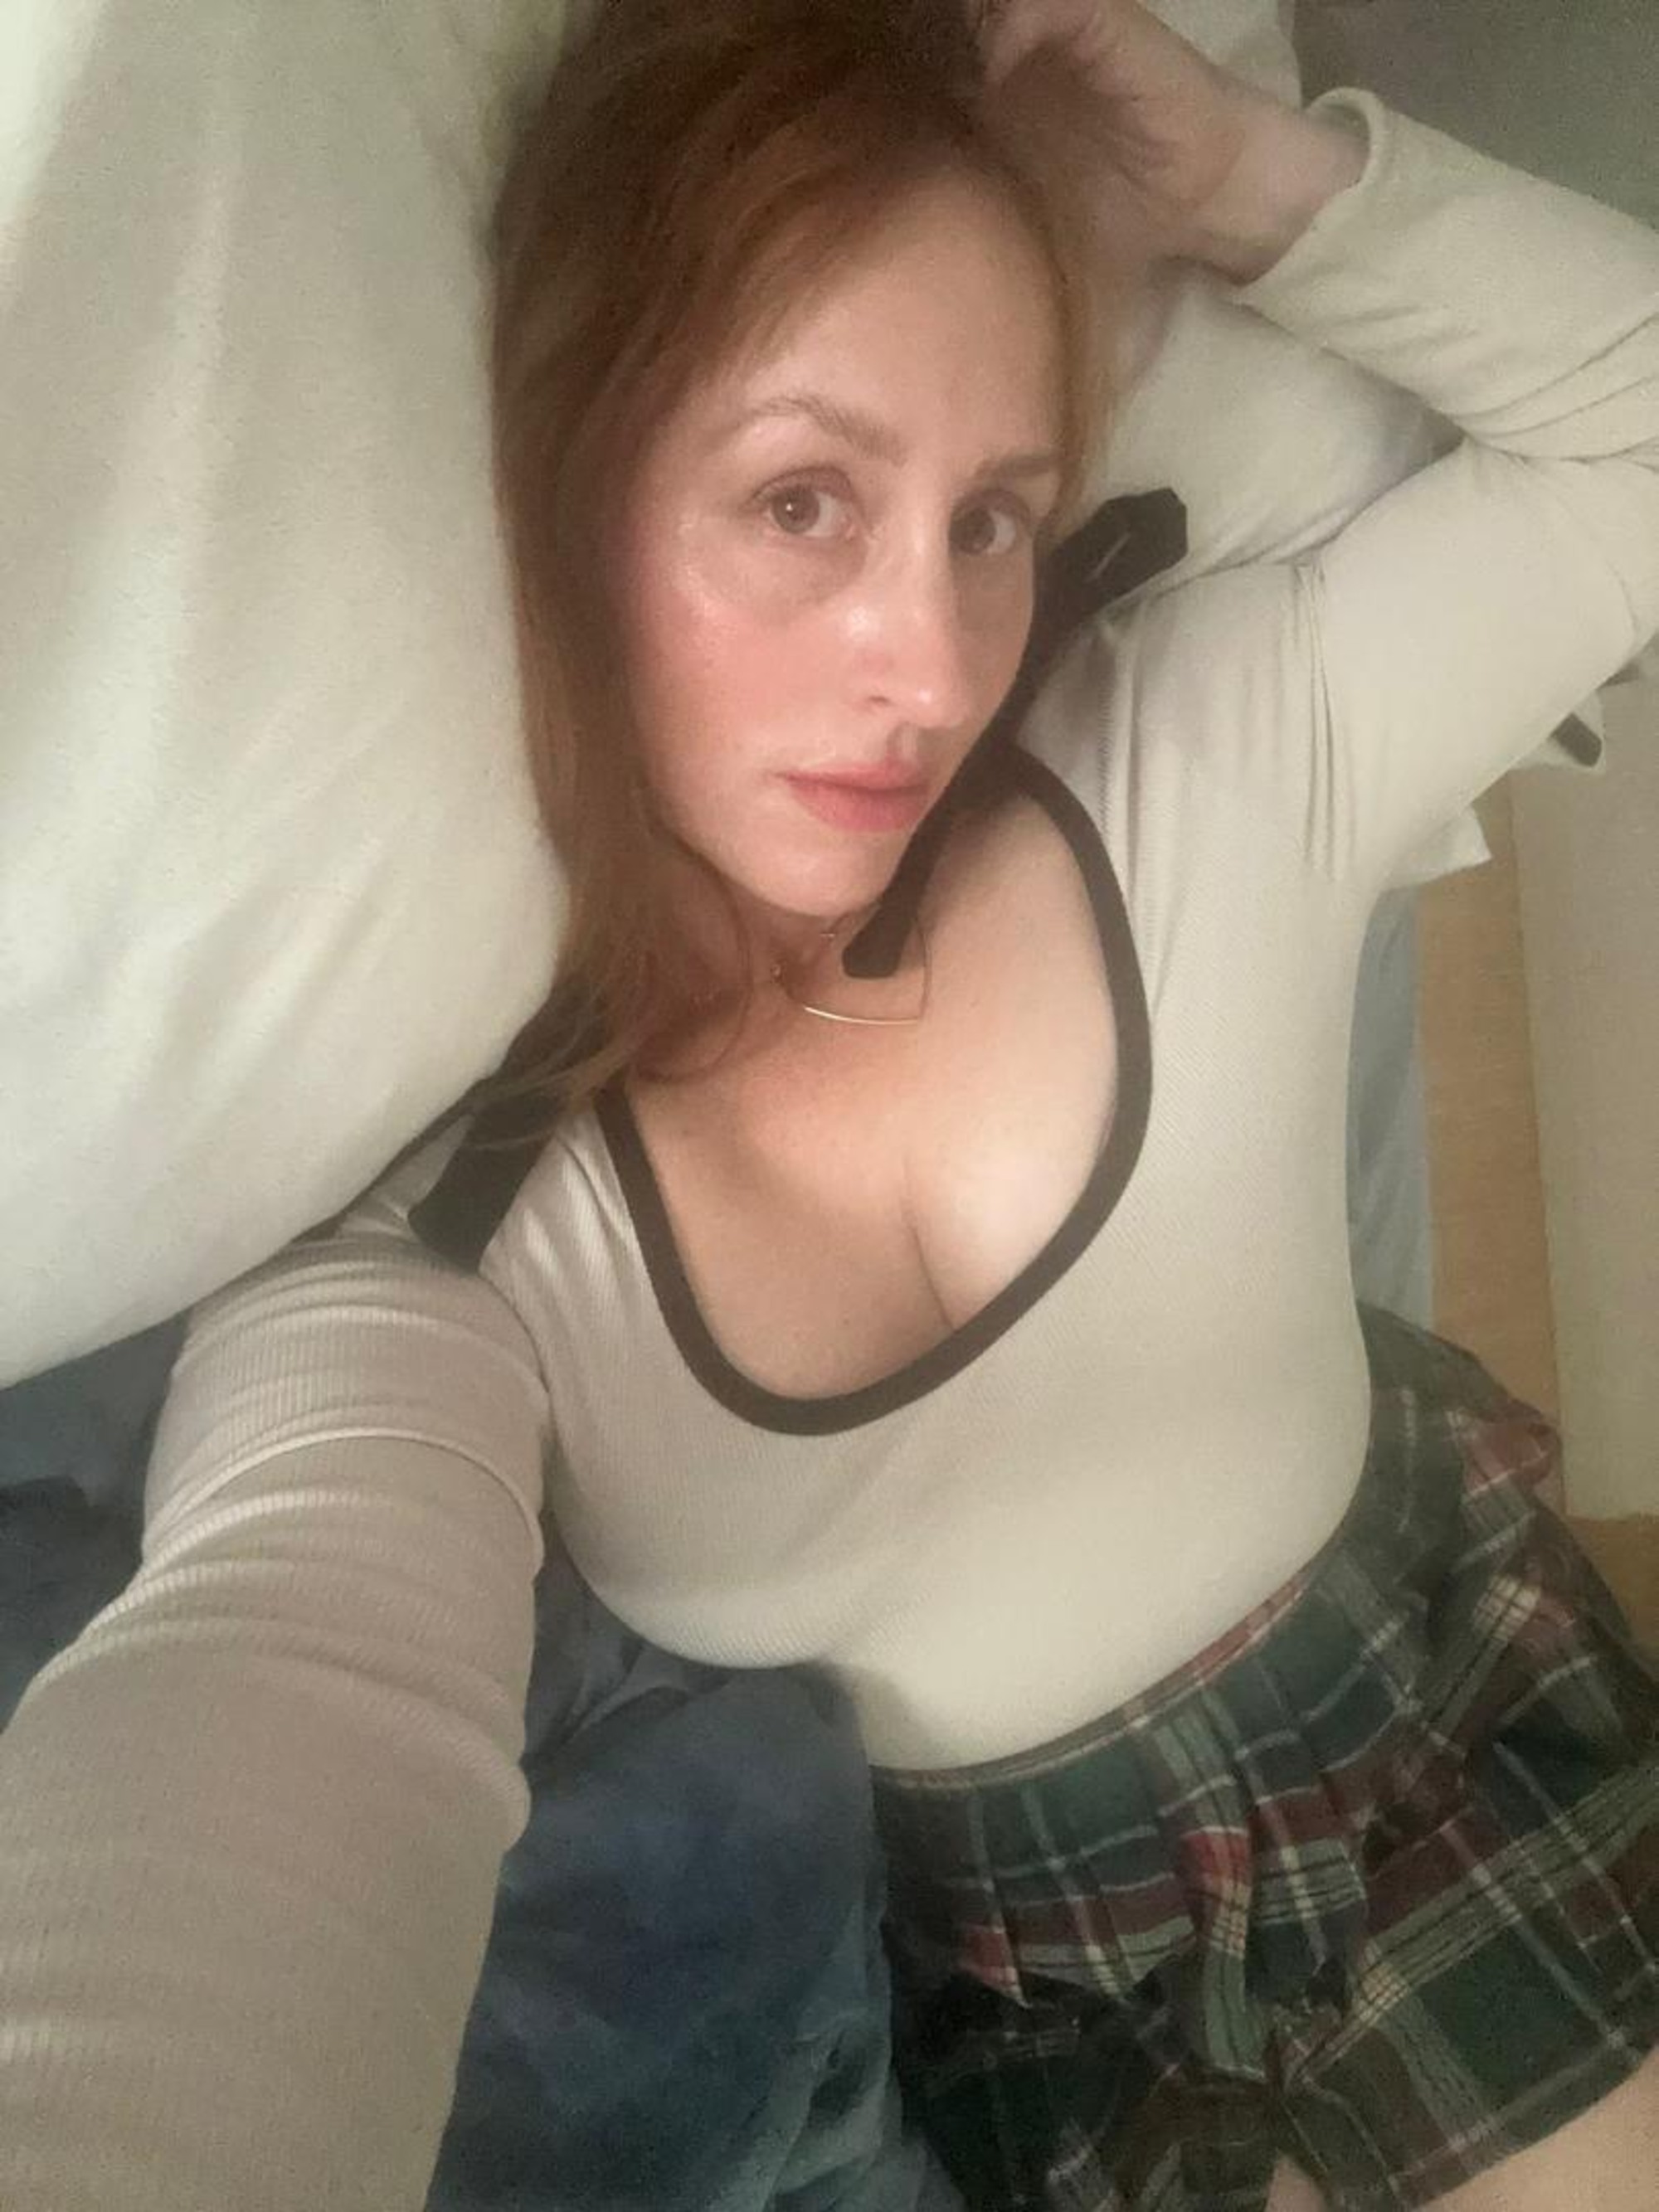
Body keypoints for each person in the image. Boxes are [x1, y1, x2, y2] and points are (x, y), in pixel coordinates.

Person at [2, 1, 1656, 2206]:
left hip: (1435, 1731)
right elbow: (293, 1657)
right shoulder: (453, 1245)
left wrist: (1250, 181)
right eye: (804, 500)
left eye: (994, 518)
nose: (936, 664)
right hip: (1029, 1995)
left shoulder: (1209, 753)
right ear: (578, 487)